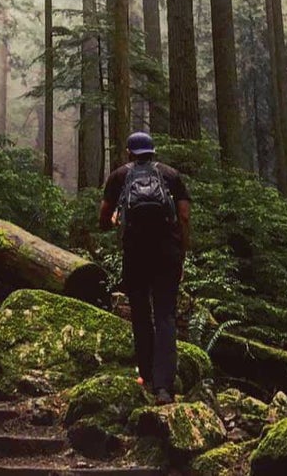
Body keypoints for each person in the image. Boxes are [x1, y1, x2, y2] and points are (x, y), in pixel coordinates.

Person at [99, 131, 191, 405]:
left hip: (135, 256)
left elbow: (103, 218)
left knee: (140, 314)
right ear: (153, 152)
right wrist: (182, 253)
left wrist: (116, 222)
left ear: (129, 152)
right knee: (165, 316)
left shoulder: (118, 176)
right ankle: (164, 388)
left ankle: (147, 376)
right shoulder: (171, 175)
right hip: (167, 255)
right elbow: (184, 216)